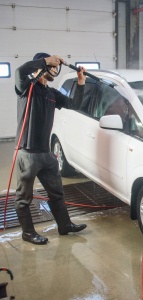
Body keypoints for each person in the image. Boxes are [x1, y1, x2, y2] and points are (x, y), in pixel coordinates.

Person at [14, 52, 87, 245]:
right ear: (41, 67)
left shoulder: (51, 93)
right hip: (27, 153)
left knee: (57, 193)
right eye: (51, 66)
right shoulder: (26, 88)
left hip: (46, 154)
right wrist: (46, 60)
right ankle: (28, 233)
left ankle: (65, 225)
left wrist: (80, 83)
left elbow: (74, 104)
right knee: (24, 198)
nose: (54, 69)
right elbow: (20, 71)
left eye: (56, 67)